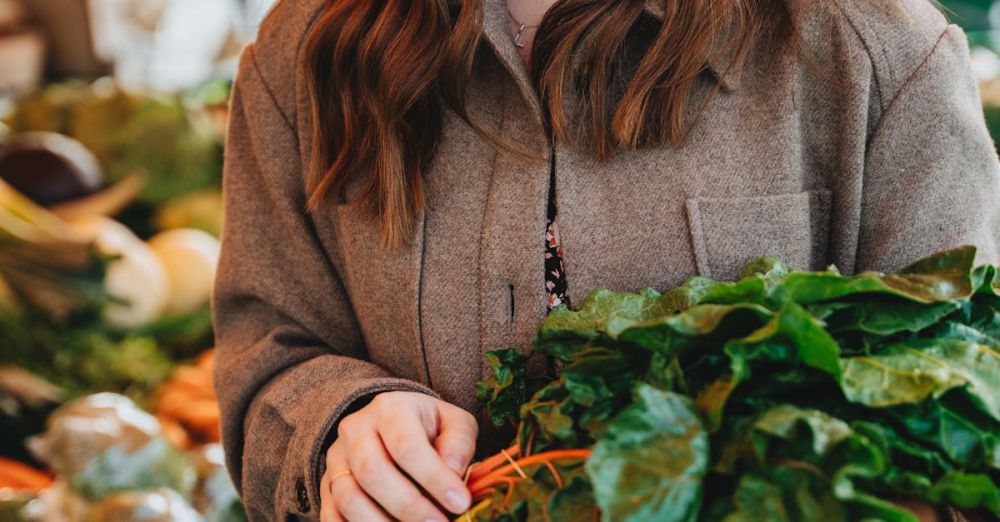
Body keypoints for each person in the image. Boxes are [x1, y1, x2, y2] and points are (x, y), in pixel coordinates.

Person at [212, 0, 1000, 520]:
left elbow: (966, 421)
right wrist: (340, 427)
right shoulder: (301, 55)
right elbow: (266, 354)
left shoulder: (876, 53)